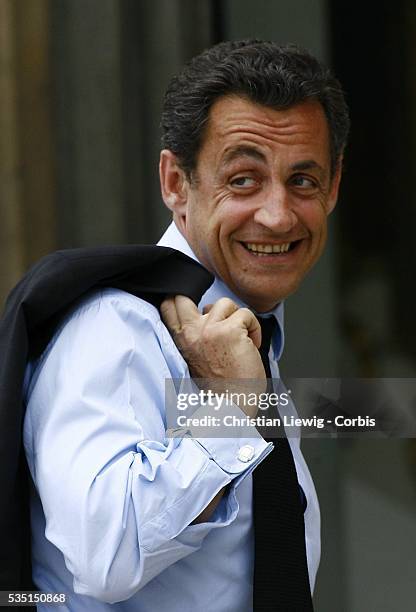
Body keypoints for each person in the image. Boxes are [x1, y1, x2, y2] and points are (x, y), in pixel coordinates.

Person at [23, 40, 349, 610]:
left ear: (334, 187)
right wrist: (228, 410)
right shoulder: (114, 328)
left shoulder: (245, 338)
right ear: (176, 183)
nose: (277, 215)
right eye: (243, 179)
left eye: (303, 180)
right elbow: (107, 557)